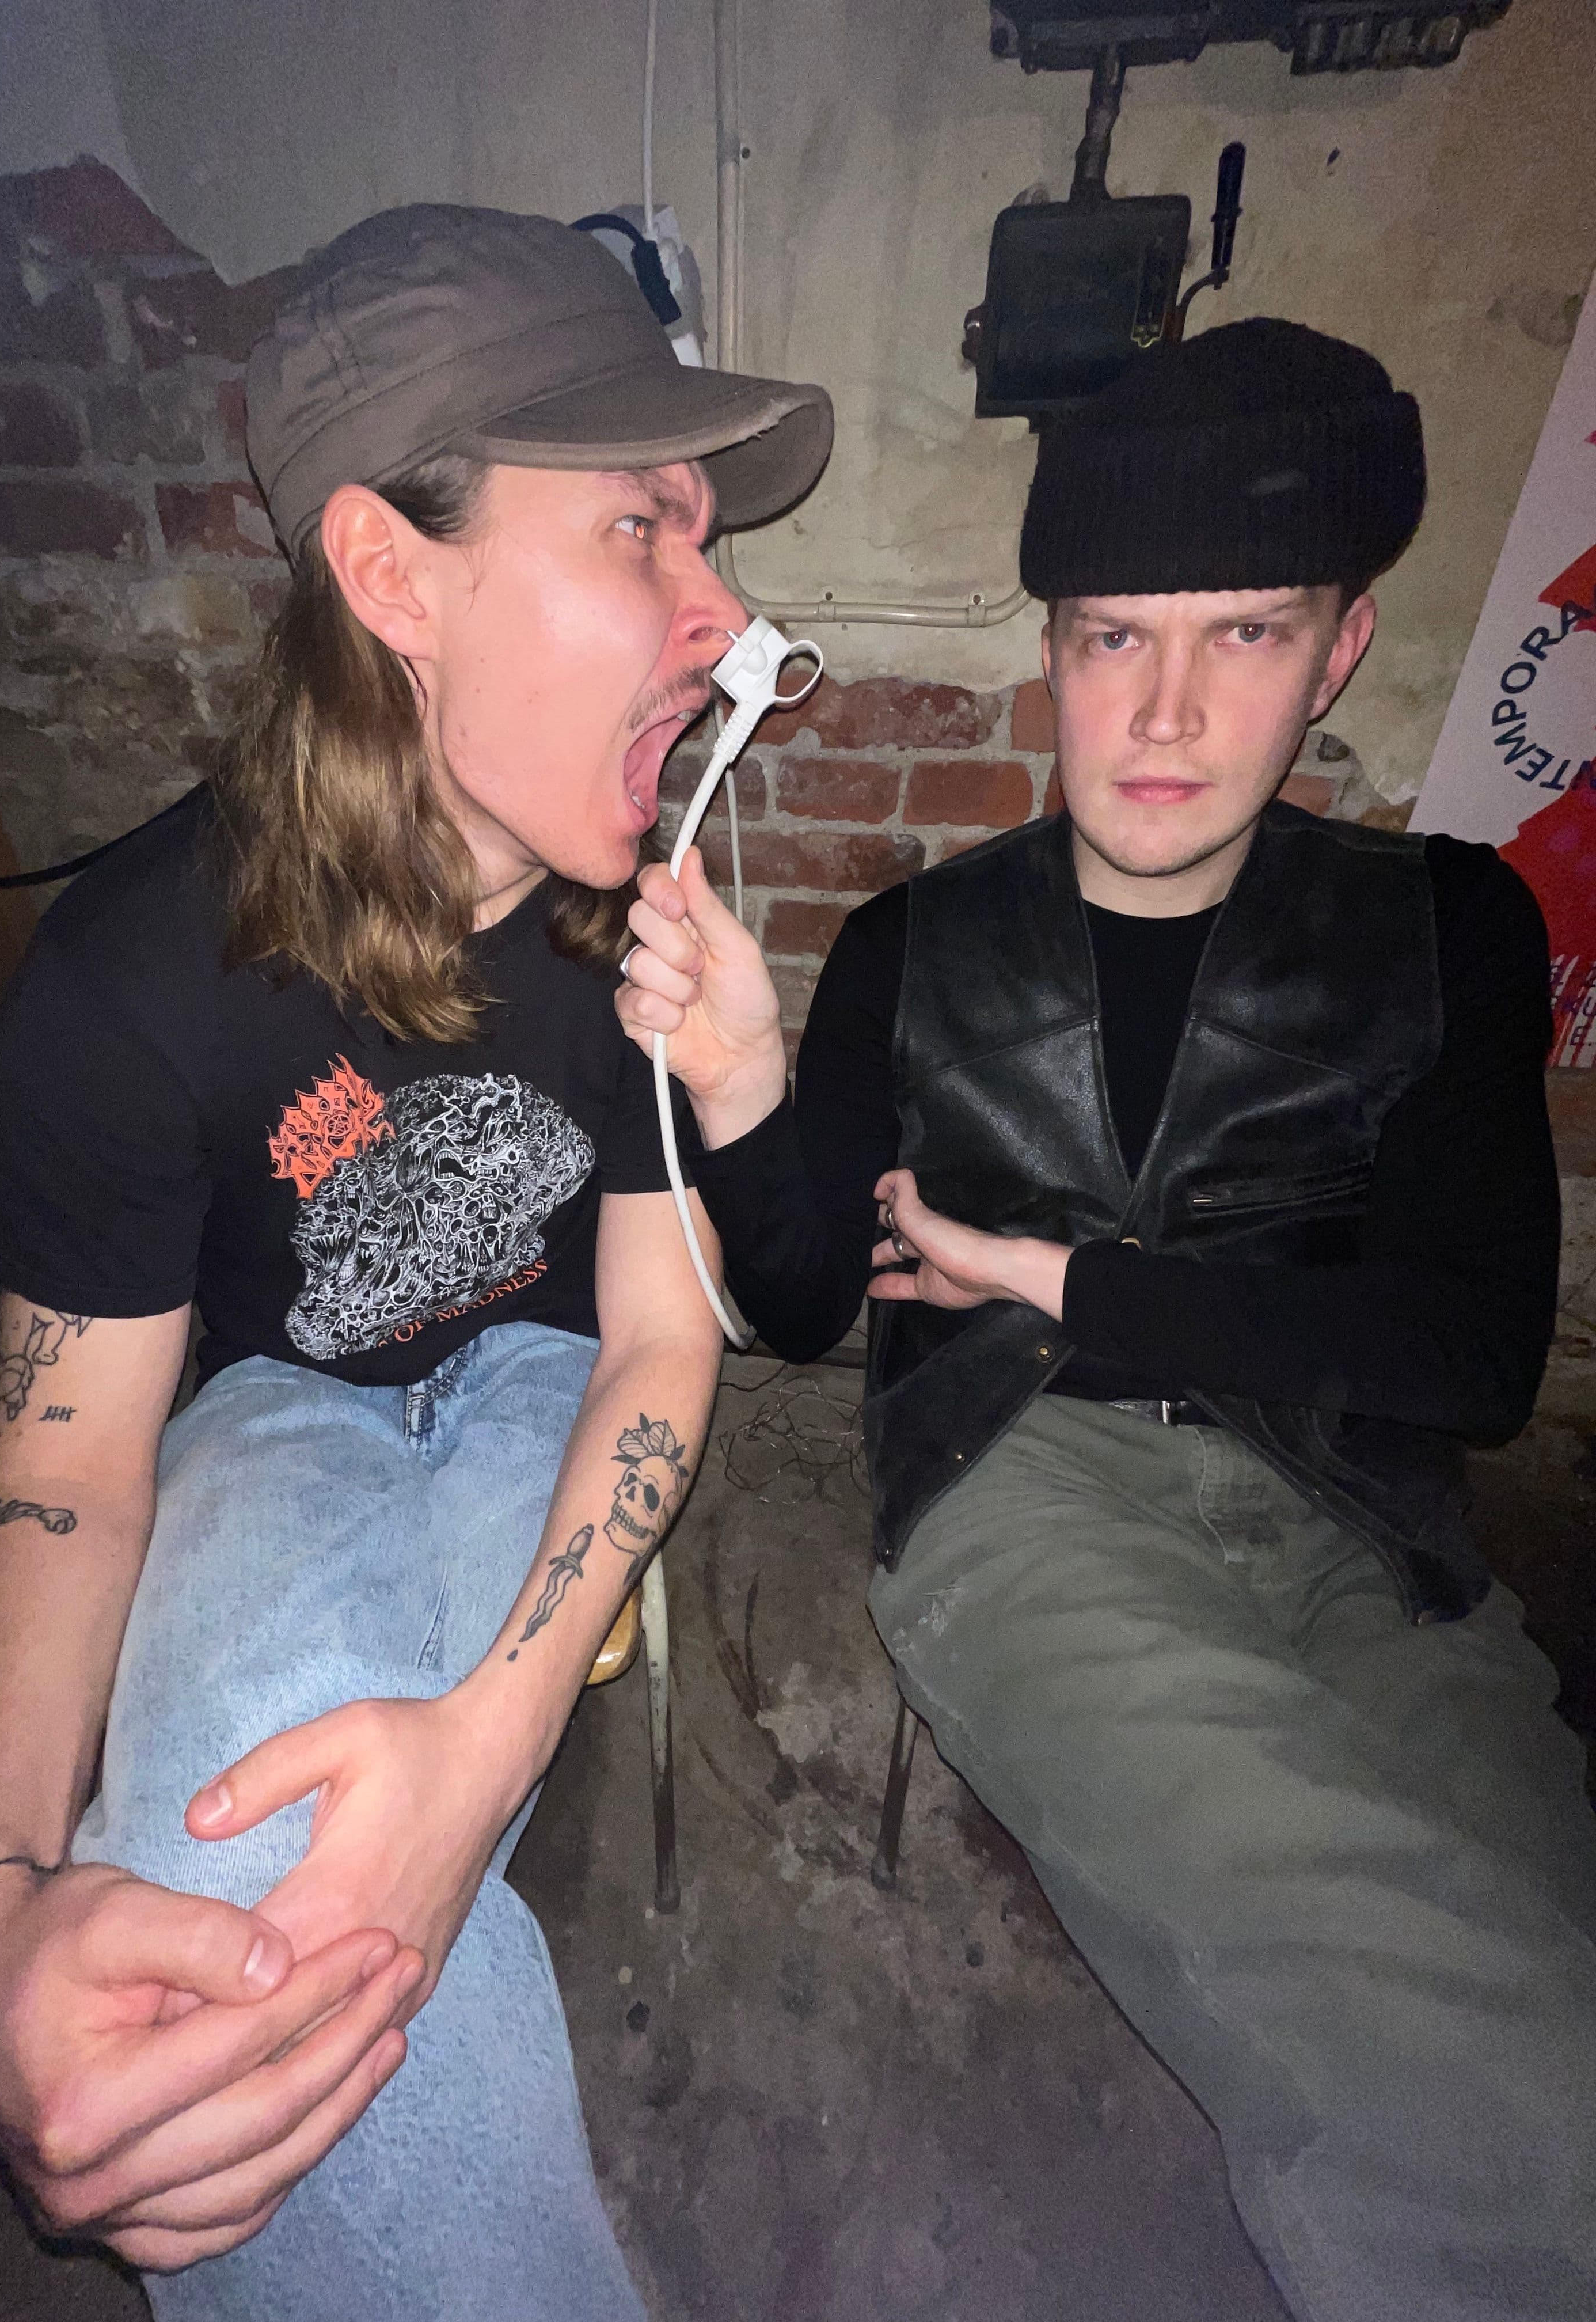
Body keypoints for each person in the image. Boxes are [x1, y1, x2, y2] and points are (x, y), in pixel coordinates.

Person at [618, 318, 1596, 2322]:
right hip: (1028, 1487)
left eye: (1244, 635)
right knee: (1416, 2010)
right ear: (1053, 652)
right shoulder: (918, 944)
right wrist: (743, 1087)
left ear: (1339, 652)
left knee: (1538, 1962)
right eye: (1112, 639)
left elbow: (1477, 1362)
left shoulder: (1450, 927)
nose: (1164, 711)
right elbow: (800, 1306)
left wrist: (1053, 1275)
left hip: (1371, 1533)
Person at [0, 204, 831, 2320]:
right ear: (393, 575)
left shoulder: (646, 908)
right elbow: (63, 1472)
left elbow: (657, 1345)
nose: (724, 614)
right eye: (640, 533)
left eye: (705, 540)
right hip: (274, 1407)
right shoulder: (128, 978)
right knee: (214, 1894)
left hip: (552, 1384)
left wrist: (481, 1751)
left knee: (305, 1907)